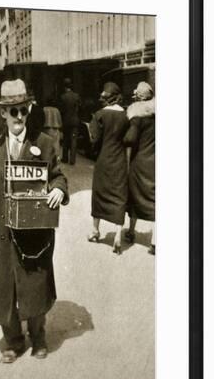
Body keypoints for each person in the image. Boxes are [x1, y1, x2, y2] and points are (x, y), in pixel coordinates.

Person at [0, 79, 69, 363]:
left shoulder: (45, 143)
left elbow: (59, 176)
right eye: (12, 111)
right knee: (5, 287)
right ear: (3, 113)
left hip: (34, 234)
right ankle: (14, 341)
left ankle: (38, 336)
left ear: (29, 110)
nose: (18, 117)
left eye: (23, 111)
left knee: (35, 285)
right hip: (3, 234)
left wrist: (58, 189)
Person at [88, 82, 129, 254]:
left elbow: (94, 140)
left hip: (104, 160)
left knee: (99, 193)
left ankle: (95, 231)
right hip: (119, 161)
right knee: (119, 196)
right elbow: (129, 139)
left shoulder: (99, 115)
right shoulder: (126, 116)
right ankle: (118, 236)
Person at [123, 82, 156, 255]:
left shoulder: (137, 115)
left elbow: (130, 139)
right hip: (156, 161)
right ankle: (155, 240)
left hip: (140, 162)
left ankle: (131, 231)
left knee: (135, 196)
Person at [58, 78, 81, 165]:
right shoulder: (77, 96)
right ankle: (72, 160)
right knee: (74, 140)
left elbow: (61, 110)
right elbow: (80, 107)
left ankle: (65, 158)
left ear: (64, 87)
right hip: (75, 121)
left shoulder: (63, 97)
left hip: (66, 121)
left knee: (66, 140)